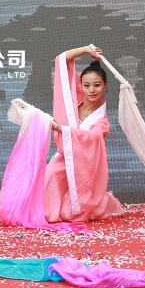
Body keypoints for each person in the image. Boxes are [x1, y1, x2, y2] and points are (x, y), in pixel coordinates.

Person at [43, 46, 123, 223]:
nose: (91, 90)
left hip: (84, 166)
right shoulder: (75, 99)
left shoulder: (101, 122)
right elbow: (61, 60)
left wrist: (62, 129)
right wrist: (86, 49)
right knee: (50, 173)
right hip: (64, 157)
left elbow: (90, 138)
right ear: (80, 86)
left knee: (70, 212)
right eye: (86, 85)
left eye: (97, 85)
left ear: (105, 86)